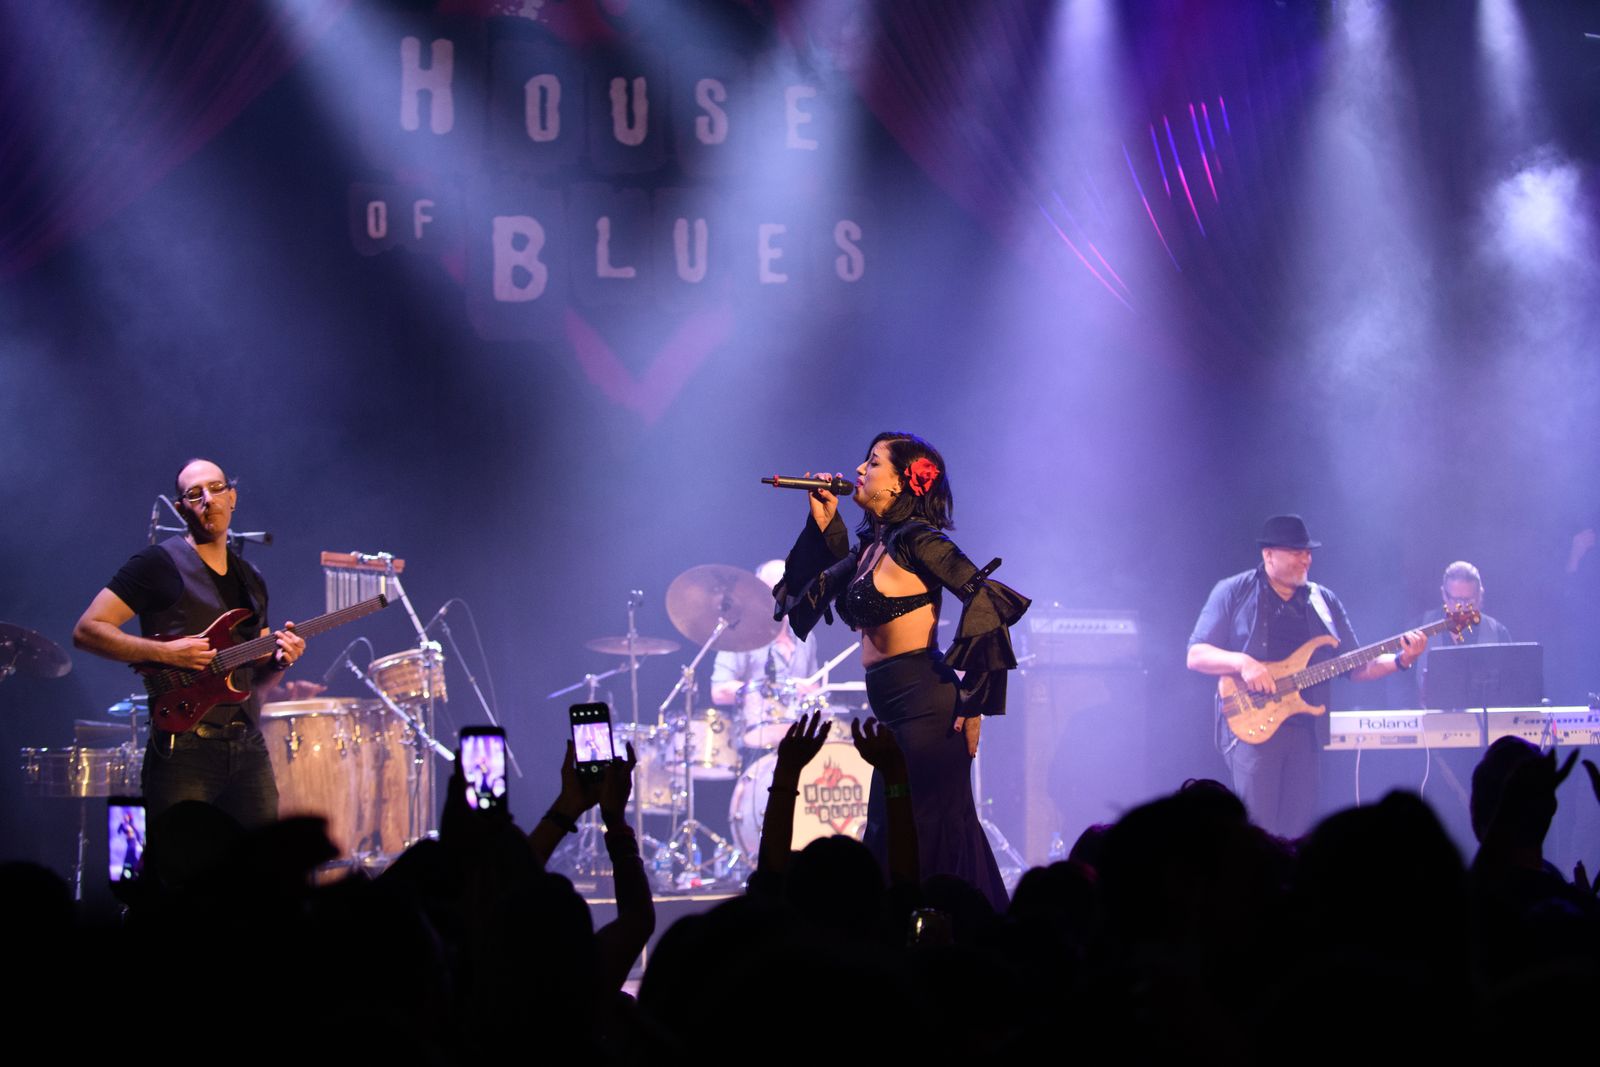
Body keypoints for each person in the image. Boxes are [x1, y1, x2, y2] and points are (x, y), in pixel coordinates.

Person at [770, 431, 1029, 909]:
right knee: (893, 829)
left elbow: (987, 598)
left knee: (919, 834)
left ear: (898, 484)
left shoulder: (917, 540)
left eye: (872, 462)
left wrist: (975, 700)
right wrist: (825, 522)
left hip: (927, 709)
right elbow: (811, 591)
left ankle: (944, 934)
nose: (859, 470)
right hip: (894, 713)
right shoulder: (872, 546)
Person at [73, 458, 304, 826]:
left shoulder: (251, 579)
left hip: (247, 747)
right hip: (184, 748)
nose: (208, 499)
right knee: (181, 860)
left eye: (216, 488)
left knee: (260, 860)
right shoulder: (156, 564)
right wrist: (166, 652)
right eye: (195, 494)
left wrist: (280, 662)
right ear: (181, 509)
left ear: (232, 497)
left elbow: (258, 678)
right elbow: (87, 630)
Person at [1186, 514, 1427, 838]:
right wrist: (1243, 662)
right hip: (1254, 730)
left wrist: (1401, 659)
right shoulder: (1234, 591)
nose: (1306, 559)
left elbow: (1355, 666)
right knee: (1257, 830)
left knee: (1298, 832)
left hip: (1306, 732)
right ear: (1269, 555)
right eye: (1296, 552)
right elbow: (1196, 654)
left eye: (1308, 552)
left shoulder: (1323, 600)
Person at [710, 559, 822, 748]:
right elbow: (719, 691)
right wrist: (775, 691)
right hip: (756, 742)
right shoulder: (742, 635)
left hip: (799, 740)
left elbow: (814, 689)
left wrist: (811, 691)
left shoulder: (806, 637)